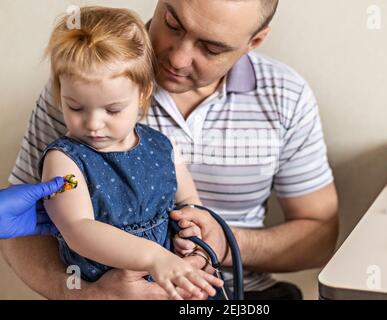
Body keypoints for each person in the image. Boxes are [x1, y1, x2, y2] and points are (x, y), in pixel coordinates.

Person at [2, 0, 339, 300]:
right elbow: (20, 226)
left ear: (254, 42)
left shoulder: (286, 95)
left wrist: (219, 242)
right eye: (173, 24)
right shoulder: (84, 83)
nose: (177, 59)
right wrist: (85, 294)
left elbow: (319, 234)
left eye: (211, 48)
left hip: (233, 288)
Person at [41, 6, 224, 300]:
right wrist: (154, 257)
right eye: (75, 107)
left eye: (112, 109)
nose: (93, 124)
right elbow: (78, 229)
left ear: (142, 95)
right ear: (59, 93)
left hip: (173, 282)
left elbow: (190, 201)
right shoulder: (63, 162)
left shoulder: (163, 147)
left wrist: (191, 231)